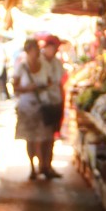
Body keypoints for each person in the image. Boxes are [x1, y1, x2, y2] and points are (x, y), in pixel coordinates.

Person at [13, 38, 56, 180]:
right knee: (30, 138)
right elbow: (15, 88)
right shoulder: (21, 67)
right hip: (27, 106)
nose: (36, 52)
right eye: (33, 50)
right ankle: (32, 167)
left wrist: (43, 87)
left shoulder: (45, 65)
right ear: (27, 51)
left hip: (42, 105)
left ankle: (43, 165)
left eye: (37, 49)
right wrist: (27, 89)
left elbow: (50, 82)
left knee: (44, 138)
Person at [39, 35, 65, 177]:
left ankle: (47, 165)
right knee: (41, 137)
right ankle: (42, 165)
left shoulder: (56, 63)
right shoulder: (39, 62)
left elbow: (59, 83)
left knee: (50, 137)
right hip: (42, 103)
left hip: (55, 102)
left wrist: (61, 102)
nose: (54, 51)